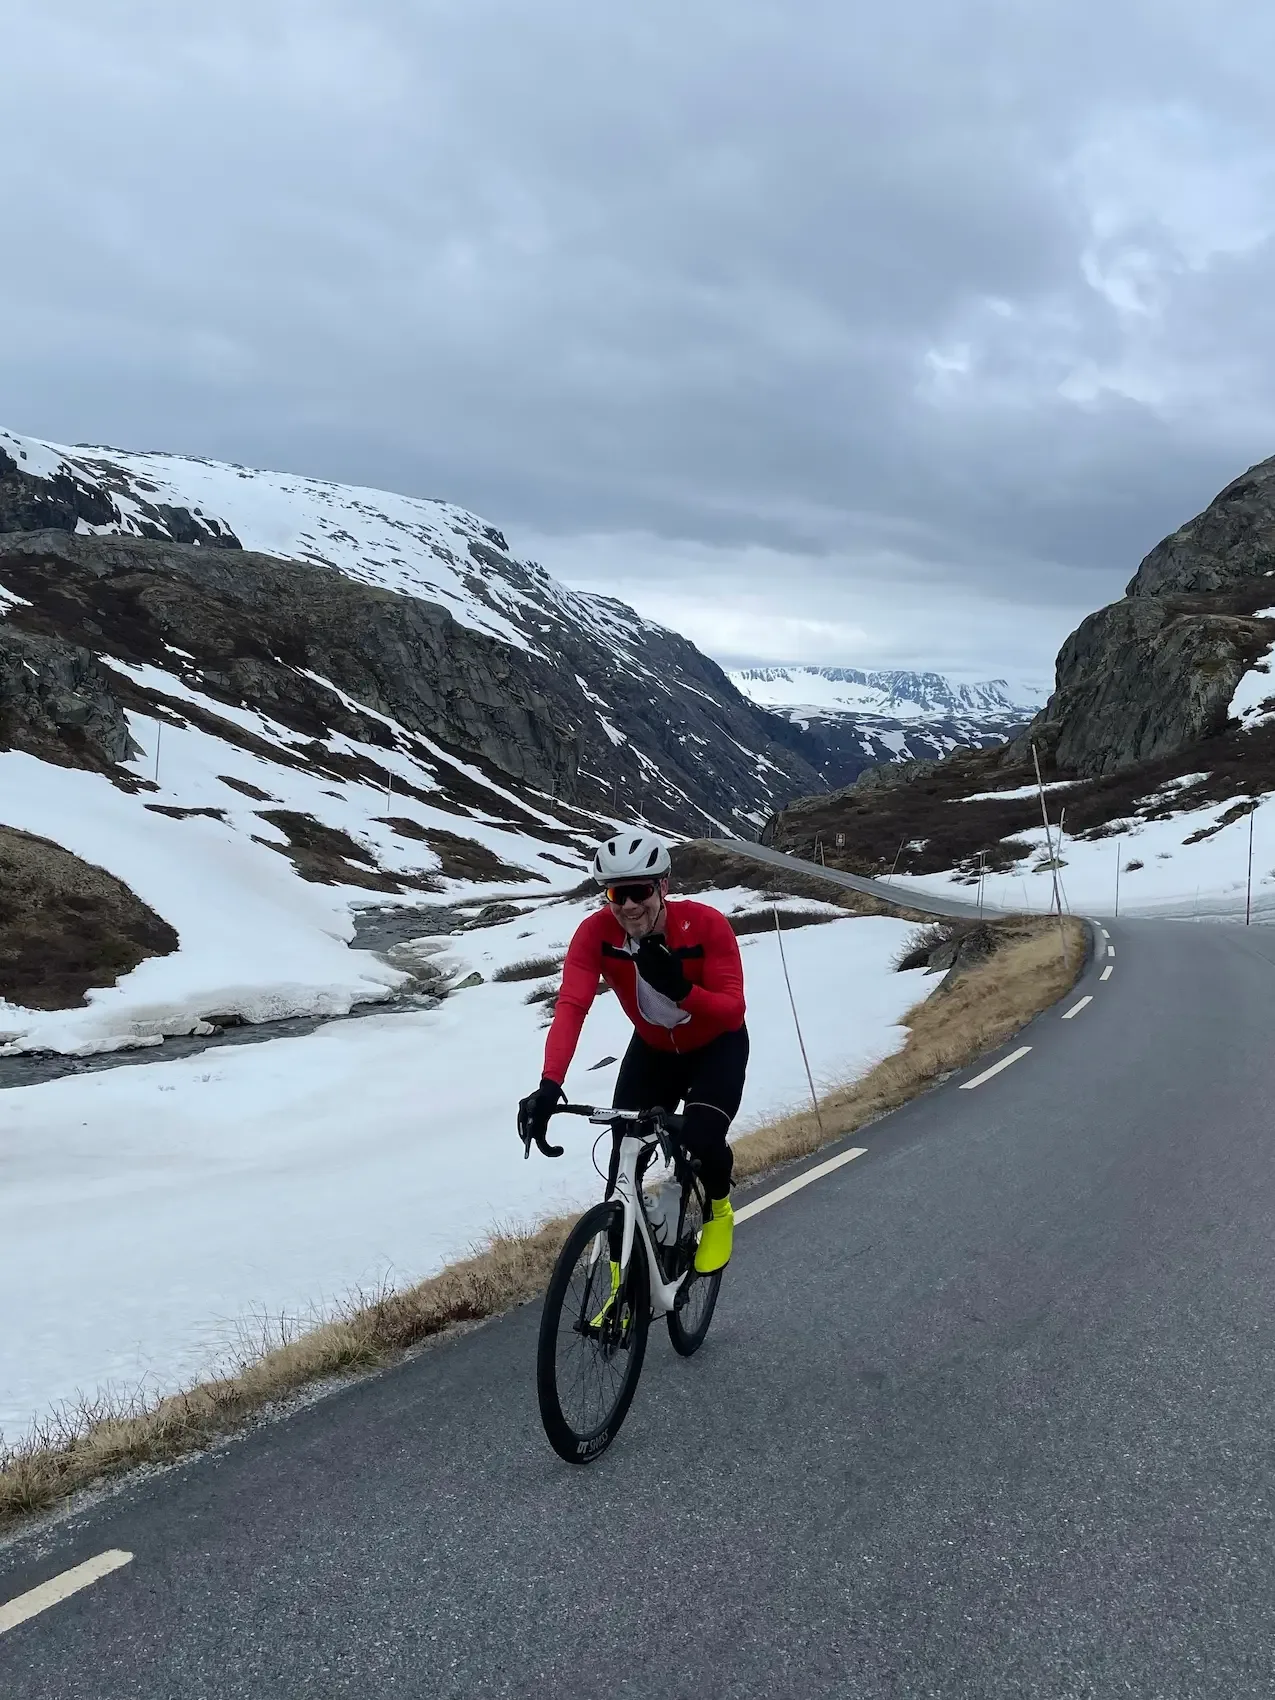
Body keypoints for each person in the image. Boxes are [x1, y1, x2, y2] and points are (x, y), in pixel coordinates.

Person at [518, 831, 749, 1281]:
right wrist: (549, 1085)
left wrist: (680, 988)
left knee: (703, 1136)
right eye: (615, 894)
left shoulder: (705, 925)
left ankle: (719, 1211)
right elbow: (571, 1006)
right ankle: (619, 1287)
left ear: (662, 887)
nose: (628, 906)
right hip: (654, 1049)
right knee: (622, 1158)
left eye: (639, 891)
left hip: (716, 1045)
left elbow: (732, 1010)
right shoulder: (595, 935)